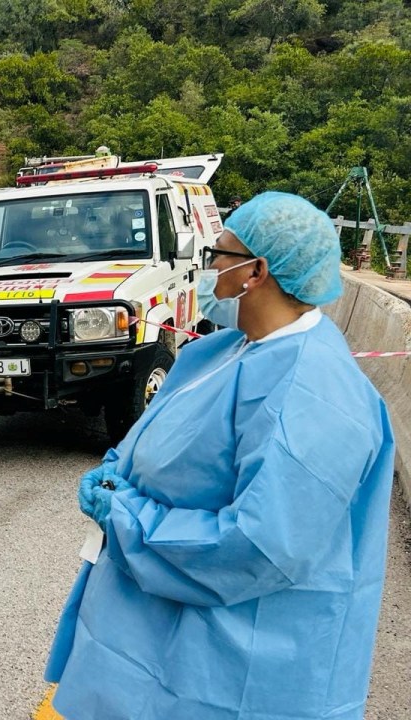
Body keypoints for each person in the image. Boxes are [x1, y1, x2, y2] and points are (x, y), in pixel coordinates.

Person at [46, 191, 395, 720]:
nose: (209, 270)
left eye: (219, 255)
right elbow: (159, 436)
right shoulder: (227, 349)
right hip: (161, 630)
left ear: (256, 273)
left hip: (233, 658)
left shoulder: (313, 393)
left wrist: (127, 515)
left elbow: (258, 545)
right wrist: (118, 472)